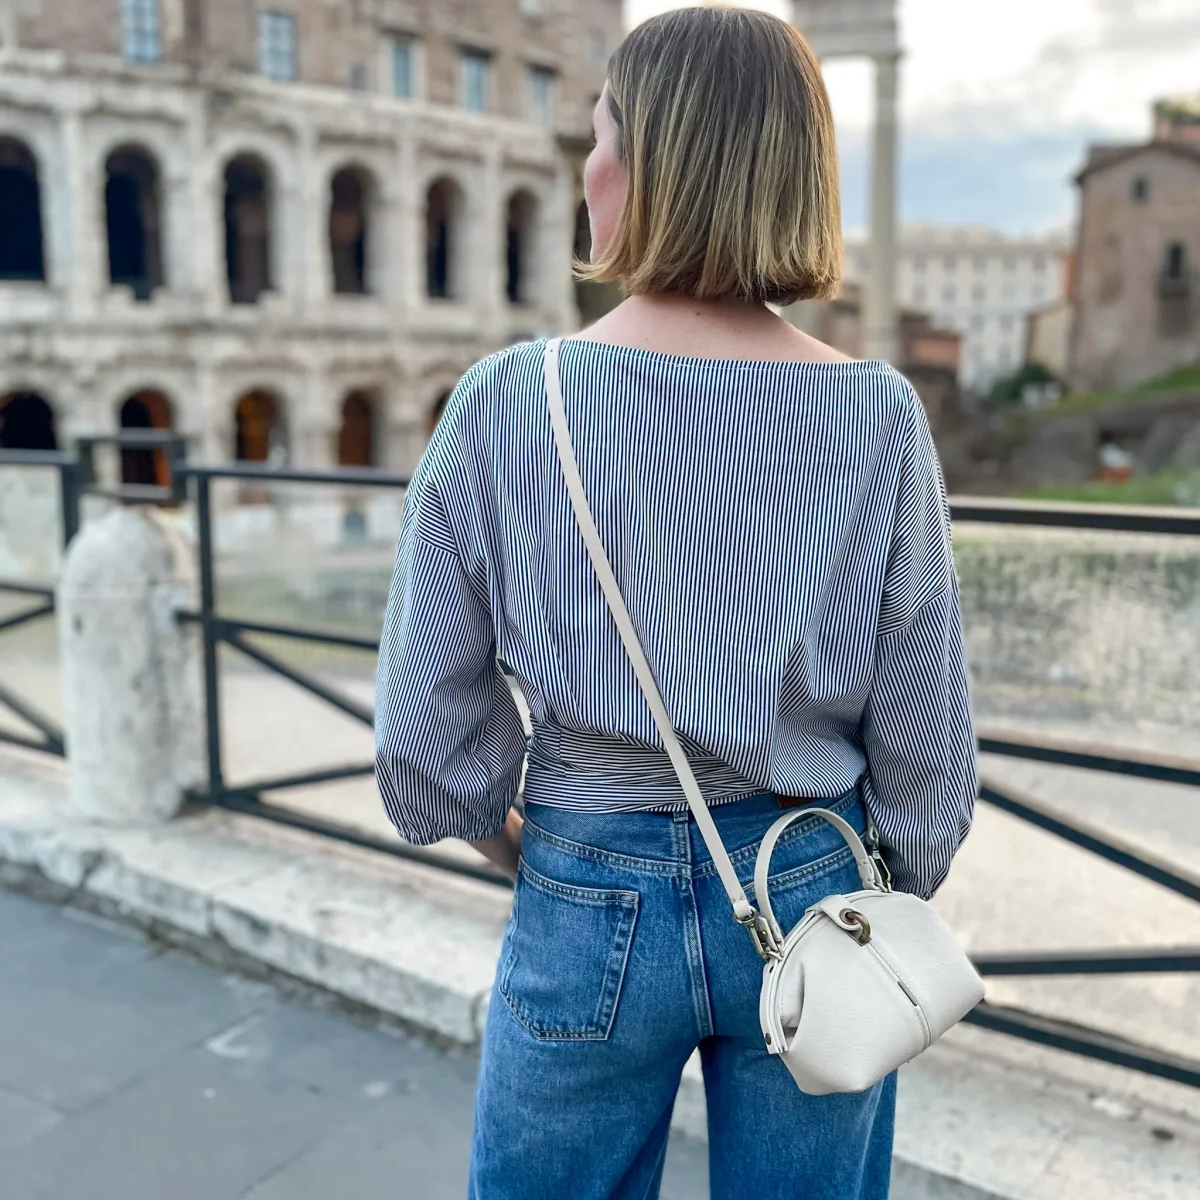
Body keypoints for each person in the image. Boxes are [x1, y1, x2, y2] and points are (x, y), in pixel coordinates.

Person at [375, 7, 977, 1198]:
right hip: (814, 876)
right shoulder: (880, 416)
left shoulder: (508, 400)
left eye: (602, 134)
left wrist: (545, 843)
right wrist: (884, 866)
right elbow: (925, 731)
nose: (587, 166)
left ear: (649, 165)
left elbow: (426, 735)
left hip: (585, 875)